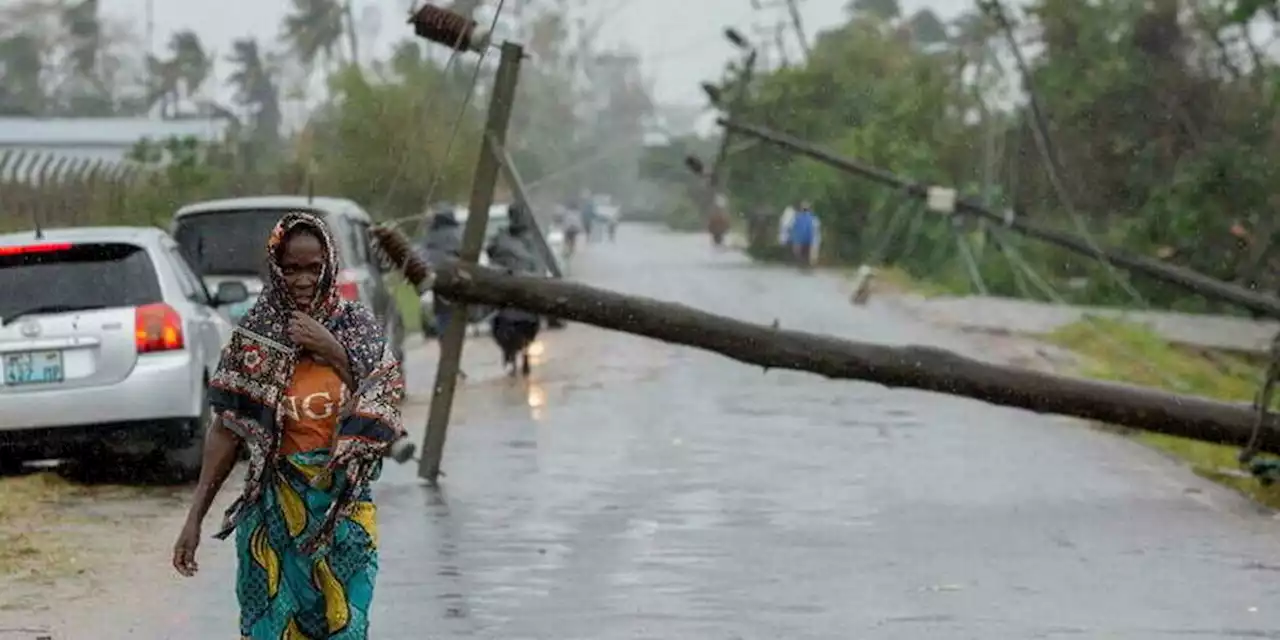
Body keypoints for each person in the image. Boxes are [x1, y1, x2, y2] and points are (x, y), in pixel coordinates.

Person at [172, 212, 405, 640]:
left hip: (343, 511)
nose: (302, 280)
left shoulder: (356, 329)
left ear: (330, 264)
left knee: (346, 627)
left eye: (313, 268)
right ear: (275, 269)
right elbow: (226, 429)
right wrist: (195, 519)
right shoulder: (255, 336)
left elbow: (384, 408)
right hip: (272, 513)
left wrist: (331, 349)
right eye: (291, 268)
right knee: (274, 629)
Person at [486, 205, 545, 375]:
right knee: (519, 329)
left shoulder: (506, 239)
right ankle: (400, 391)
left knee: (511, 329)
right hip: (519, 300)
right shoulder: (510, 239)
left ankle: (515, 354)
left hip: (514, 301)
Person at [421, 205, 462, 340]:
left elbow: (425, 258)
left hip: (439, 282)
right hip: (458, 279)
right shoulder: (459, 234)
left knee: (443, 314)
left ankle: (445, 337)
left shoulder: (431, 237)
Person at [788, 200, 821, 268]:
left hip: (801, 239)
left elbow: (792, 227)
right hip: (808, 239)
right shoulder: (812, 218)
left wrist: (793, 237)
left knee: (801, 254)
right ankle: (805, 265)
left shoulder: (798, 217)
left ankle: (802, 265)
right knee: (805, 253)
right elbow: (816, 228)